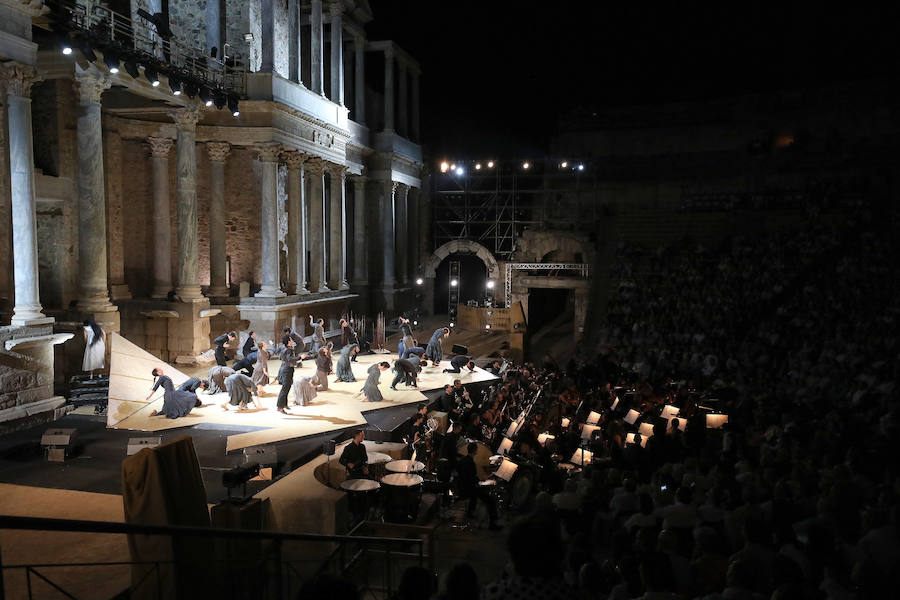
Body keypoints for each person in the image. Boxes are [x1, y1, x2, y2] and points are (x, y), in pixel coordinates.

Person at [457, 441, 500, 530]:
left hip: (461, 487)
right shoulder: (471, 463)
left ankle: (470, 512)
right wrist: (483, 479)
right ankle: (492, 524)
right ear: (475, 451)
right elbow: (472, 479)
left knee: (476, 494)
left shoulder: (463, 460)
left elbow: (465, 476)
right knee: (490, 500)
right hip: (468, 489)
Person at [276, 337, 301, 414]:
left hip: (283, 367)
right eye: (290, 340)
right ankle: (280, 406)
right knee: (285, 388)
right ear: (288, 342)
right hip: (287, 369)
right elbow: (290, 359)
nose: (292, 341)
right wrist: (300, 357)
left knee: (287, 387)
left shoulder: (282, 347)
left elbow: (277, 352)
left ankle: (284, 404)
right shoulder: (289, 350)